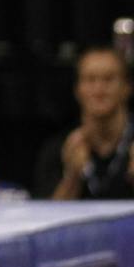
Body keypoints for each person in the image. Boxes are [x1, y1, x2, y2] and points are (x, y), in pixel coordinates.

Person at [34, 46, 133, 200]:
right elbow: (46, 218)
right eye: (90, 79)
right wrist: (72, 177)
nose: (99, 89)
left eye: (109, 79)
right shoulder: (59, 148)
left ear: (127, 87)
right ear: (78, 89)